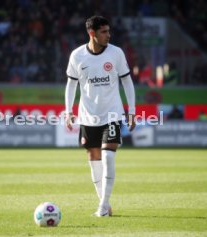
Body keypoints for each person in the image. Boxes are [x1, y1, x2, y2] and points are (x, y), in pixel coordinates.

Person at [65, 16, 136, 217]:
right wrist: (68, 110)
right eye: (104, 31)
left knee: (107, 155)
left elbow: (127, 82)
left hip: (112, 113)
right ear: (92, 33)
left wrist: (131, 111)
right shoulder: (77, 55)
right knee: (93, 159)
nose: (108, 35)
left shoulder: (116, 53)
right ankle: (104, 203)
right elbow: (71, 84)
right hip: (88, 116)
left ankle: (103, 207)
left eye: (108, 31)